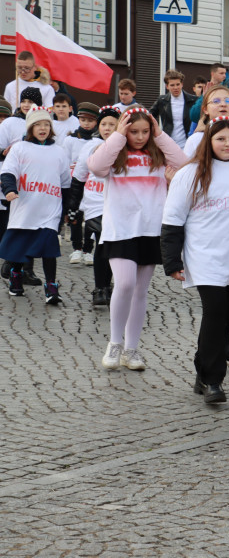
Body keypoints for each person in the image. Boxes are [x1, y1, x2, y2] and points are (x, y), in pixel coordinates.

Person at [161, 116, 229, 404]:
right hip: (205, 256)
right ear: (209, 141)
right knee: (215, 313)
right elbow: (173, 218)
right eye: (220, 139)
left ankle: (202, 362)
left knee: (228, 316)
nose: (227, 144)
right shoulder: (190, 173)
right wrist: (172, 261)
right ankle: (212, 380)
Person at [89, 108, 187, 371]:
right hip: (120, 229)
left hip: (150, 229)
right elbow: (96, 167)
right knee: (124, 284)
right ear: (124, 129)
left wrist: (160, 134)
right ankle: (115, 343)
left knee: (141, 291)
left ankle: (132, 349)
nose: (140, 137)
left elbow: (184, 163)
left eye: (145, 132)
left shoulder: (157, 155)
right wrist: (119, 136)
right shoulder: (113, 155)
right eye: (134, 131)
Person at [0, 108, 70, 303]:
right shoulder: (20, 148)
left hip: (49, 209)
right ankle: (16, 274)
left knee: (49, 248)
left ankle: (51, 287)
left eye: (46, 124)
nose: (43, 128)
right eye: (38, 124)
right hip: (25, 208)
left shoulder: (59, 151)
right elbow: (8, 172)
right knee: (19, 248)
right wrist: (9, 189)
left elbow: (65, 183)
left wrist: (67, 208)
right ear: (30, 127)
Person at [70, 105, 120, 305]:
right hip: (95, 203)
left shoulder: (123, 147)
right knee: (102, 243)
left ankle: (109, 285)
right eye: (103, 124)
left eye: (112, 125)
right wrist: (73, 204)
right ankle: (100, 288)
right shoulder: (90, 146)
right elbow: (79, 176)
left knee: (113, 247)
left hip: (117, 203)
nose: (107, 128)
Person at [62, 102, 99, 264]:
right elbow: (64, 160)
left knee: (91, 217)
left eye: (90, 121)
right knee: (75, 214)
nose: (86, 123)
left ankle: (88, 249)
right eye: (83, 120)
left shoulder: (97, 141)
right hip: (75, 182)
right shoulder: (70, 140)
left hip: (91, 183)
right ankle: (77, 248)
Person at [150, 69, 197, 149]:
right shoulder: (162, 100)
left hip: (187, 143)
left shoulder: (193, 100)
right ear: (167, 86)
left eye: (178, 84)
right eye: (172, 85)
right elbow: (149, 116)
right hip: (168, 143)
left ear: (182, 84)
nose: (176, 88)